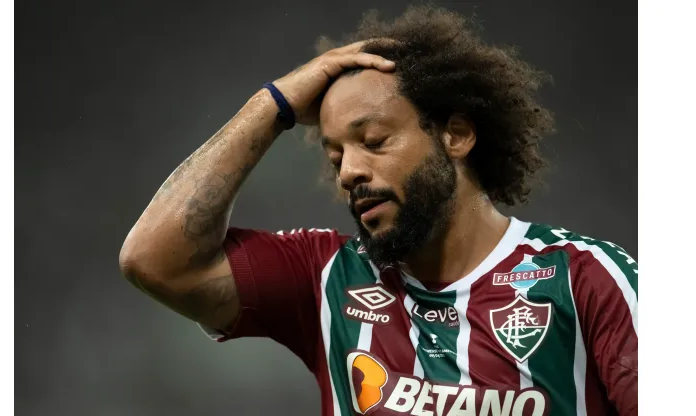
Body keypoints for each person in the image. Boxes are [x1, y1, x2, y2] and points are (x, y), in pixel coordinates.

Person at [119, 6, 637, 416]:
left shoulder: (586, 278)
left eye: (373, 140)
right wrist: (271, 106)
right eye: (335, 155)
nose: (348, 172)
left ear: (454, 135)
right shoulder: (328, 278)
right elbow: (156, 260)